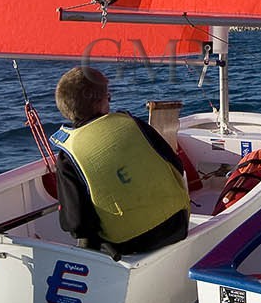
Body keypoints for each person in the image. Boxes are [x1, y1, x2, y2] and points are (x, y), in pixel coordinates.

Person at [50, 66, 190, 258]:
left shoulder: (67, 157)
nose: (109, 101)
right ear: (99, 104)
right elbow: (177, 166)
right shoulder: (134, 124)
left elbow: (76, 223)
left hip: (129, 244)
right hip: (178, 225)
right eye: (108, 97)